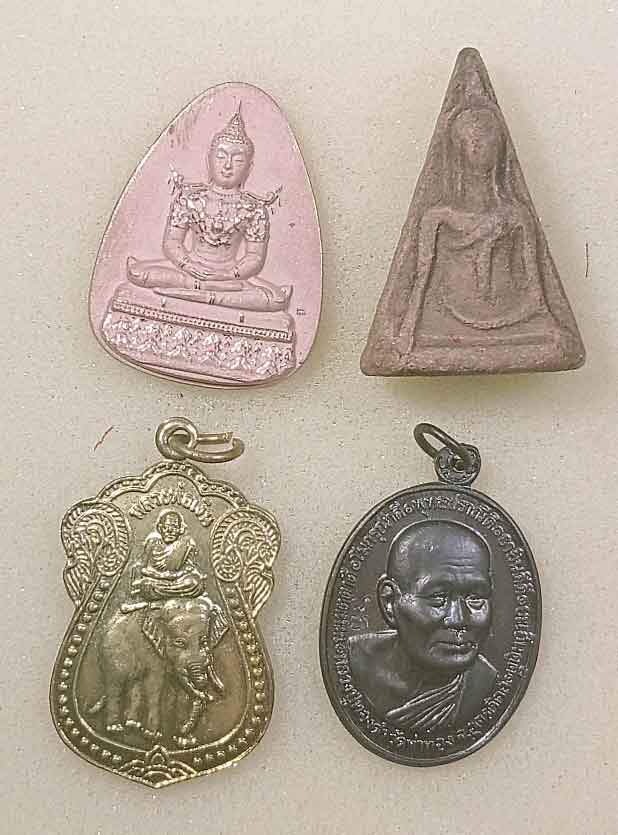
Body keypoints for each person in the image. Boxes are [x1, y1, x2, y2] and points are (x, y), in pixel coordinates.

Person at [126, 107, 291, 313]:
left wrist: (228, 274)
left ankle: (201, 294)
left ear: (249, 167)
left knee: (275, 299)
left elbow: (255, 257)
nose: (228, 166)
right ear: (209, 159)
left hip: (229, 279)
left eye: (238, 160)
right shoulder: (190, 198)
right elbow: (172, 242)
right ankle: (211, 296)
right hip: (187, 271)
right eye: (221, 157)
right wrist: (188, 265)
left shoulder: (254, 209)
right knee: (140, 273)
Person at [348, 520, 497, 732]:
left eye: (475, 598)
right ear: (389, 602)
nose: (458, 619)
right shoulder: (355, 663)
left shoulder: (486, 684)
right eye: (438, 598)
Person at [127, 509, 205, 605]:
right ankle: (173, 594)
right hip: (156, 580)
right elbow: (142, 568)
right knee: (146, 586)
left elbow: (190, 568)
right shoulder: (153, 542)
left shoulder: (186, 544)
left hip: (177, 580)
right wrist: (159, 575)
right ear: (160, 528)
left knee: (196, 583)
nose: (170, 530)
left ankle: (165, 595)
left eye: (174, 527)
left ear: (180, 530)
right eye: (166, 527)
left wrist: (175, 576)